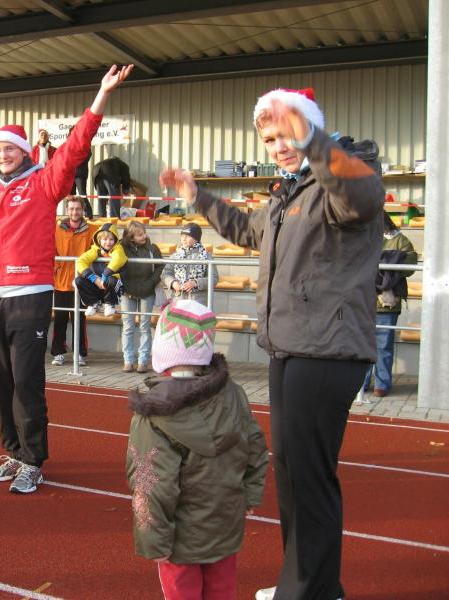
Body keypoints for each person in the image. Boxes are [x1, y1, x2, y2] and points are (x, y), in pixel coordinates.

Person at [160, 87, 384, 600]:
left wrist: (312, 140)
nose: (279, 146)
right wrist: (198, 196)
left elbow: (362, 198)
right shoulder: (290, 191)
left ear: (310, 128)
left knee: (308, 476)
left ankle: (309, 590)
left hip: (325, 348)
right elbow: (247, 230)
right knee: (294, 473)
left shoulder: (343, 174)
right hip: (292, 346)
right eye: (270, 139)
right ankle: (308, 584)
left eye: (287, 133)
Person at [0, 52, 132, 494]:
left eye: (9, 149)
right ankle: (13, 452)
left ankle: (33, 459)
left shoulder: (44, 183)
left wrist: (101, 95)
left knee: (27, 384)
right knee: (2, 384)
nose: (2, 155)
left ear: (25, 152)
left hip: (29, 297)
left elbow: (76, 147)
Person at [127, 298, 268, 600]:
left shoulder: (155, 414)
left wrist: (154, 541)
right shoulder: (234, 394)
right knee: (222, 592)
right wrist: (251, 494)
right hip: (225, 526)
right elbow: (256, 447)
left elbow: (151, 482)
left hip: (180, 541)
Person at [362, 213, 418, 398]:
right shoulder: (366, 238)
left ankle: (382, 384)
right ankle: (361, 384)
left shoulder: (402, 241)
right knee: (363, 344)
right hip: (365, 301)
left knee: (383, 345)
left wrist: (386, 260)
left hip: (388, 303)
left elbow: (410, 266)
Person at [50, 196, 95, 367]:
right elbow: (51, 250)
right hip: (61, 281)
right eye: (71, 209)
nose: (74, 212)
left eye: (77, 209)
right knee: (60, 318)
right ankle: (58, 353)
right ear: (67, 210)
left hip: (81, 282)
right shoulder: (57, 229)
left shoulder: (91, 230)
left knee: (79, 319)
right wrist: (56, 269)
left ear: (82, 210)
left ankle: (80, 354)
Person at [119, 221, 163, 373]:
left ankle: (143, 361)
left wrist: (151, 282)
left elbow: (160, 267)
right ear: (131, 237)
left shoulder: (152, 248)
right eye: (140, 235)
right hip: (127, 292)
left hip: (147, 291)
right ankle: (128, 361)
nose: (144, 236)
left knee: (145, 327)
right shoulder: (121, 248)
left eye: (144, 233)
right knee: (128, 327)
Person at [75, 222, 126, 317]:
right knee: (78, 280)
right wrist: (94, 278)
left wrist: (105, 275)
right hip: (99, 284)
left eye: (111, 239)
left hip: (113, 286)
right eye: (105, 239)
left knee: (111, 280)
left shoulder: (118, 248)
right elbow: (80, 261)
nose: (108, 242)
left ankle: (110, 304)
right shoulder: (95, 250)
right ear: (99, 240)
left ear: (115, 240)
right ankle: (94, 303)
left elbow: (118, 259)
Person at [162, 223, 218, 303]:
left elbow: (214, 278)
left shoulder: (206, 257)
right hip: (178, 299)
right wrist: (173, 283)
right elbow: (166, 274)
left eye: (188, 236)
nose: (184, 239)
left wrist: (196, 283)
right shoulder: (175, 256)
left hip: (198, 301)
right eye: (182, 236)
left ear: (196, 238)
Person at [68, 126, 94, 219]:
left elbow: (88, 154)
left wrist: (76, 160)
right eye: (72, 132)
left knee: (82, 194)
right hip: (70, 173)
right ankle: (72, 214)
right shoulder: (68, 143)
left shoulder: (84, 141)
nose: (73, 134)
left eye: (75, 132)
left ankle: (88, 214)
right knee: (71, 195)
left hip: (80, 173)